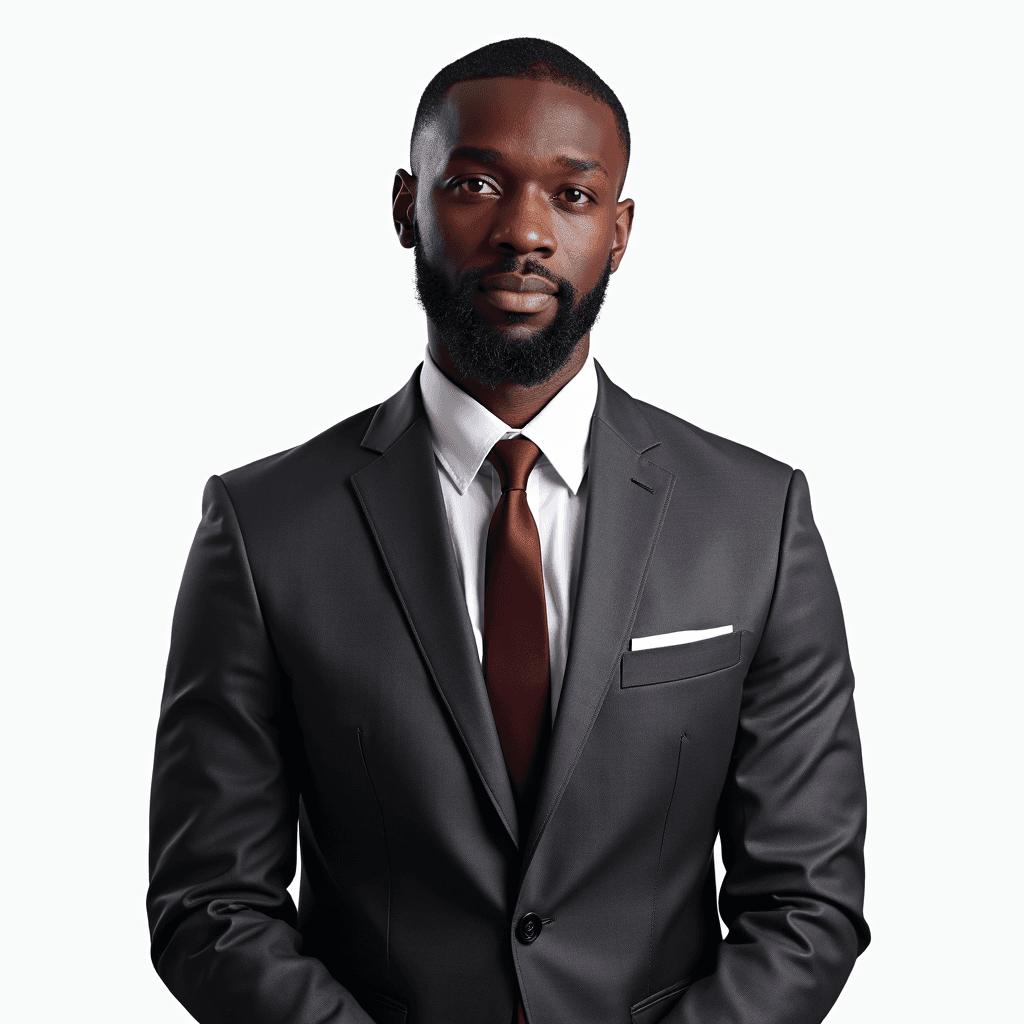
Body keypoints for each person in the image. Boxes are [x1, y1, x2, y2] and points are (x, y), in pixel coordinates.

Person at [148, 37, 869, 1024]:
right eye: (478, 182)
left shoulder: (754, 516)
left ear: (619, 230)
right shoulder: (264, 527)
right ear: (407, 206)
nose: (524, 230)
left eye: (571, 197)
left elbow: (806, 900)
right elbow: (210, 904)